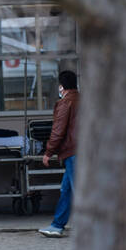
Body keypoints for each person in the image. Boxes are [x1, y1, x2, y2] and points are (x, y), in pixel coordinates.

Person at [38, 70, 79, 238]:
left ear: (61, 86)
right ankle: (57, 225)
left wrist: (48, 152)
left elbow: (58, 130)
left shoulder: (66, 103)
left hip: (73, 151)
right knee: (67, 190)